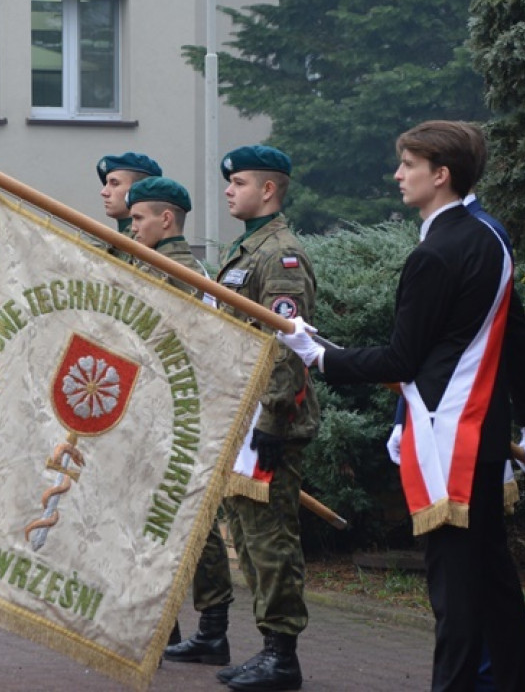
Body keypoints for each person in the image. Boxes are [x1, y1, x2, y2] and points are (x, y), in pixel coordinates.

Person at [278, 121, 525, 692]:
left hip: (450, 433)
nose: (398, 175)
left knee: (453, 589)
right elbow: (514, 336)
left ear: (441, 174)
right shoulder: (489, 233)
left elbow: (402, 360)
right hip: (479, 426)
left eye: (408, 164)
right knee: (494, 582)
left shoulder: (435, 253)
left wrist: (319, 355)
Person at [212, 145, 320, 692]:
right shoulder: (245, 250)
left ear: (269, 190)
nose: (229, 189)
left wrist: (275, 418)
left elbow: (287, 345)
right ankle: (268, 648)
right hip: (242, 415)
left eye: (240, 182)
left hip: (269, 420)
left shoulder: (281, 255)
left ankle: (283, 656)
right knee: (250, 541)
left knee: (272, 538)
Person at [124, 176, 233, 665]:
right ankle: (161, 626)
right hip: (150, 414)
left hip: (176, 417)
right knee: (155, 522)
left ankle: (211, 629)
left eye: (139, 217)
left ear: (166, 219)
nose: (132, 225)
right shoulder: (151, 264)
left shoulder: (179, 273)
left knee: (189, 524)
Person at [96, 151, 162, 260]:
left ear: (139, 190)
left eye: (114, 183)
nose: (104, 192)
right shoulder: (122, 239)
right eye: (106, 184)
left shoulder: (146, 241)